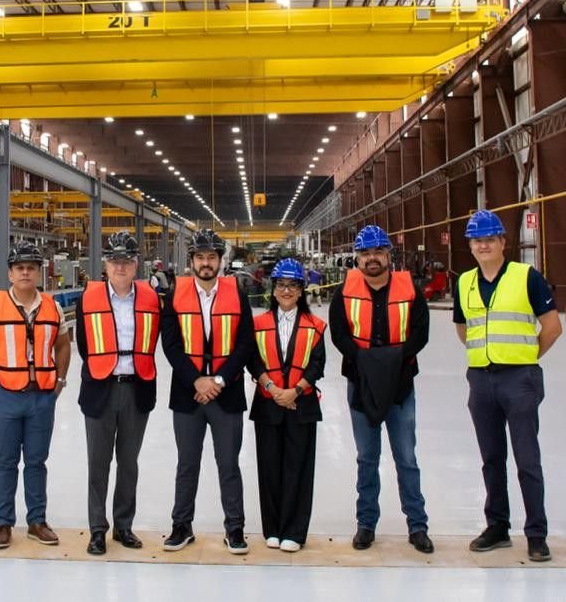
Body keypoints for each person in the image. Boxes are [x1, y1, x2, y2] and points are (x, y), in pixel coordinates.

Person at [454, 210, 561, 562]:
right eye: (476, 240)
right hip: (481, 379)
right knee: (492, 458)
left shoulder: (527, 277)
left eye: (489, 239)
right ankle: (497, 526)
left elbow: (552, 327)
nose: (483, 245)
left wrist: (526, 357)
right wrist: (484, 354)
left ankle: (536, 534)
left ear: (503, 242)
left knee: (527, 459)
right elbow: (463, 328)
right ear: (470, 246)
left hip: (519, 379)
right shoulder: (464, 282)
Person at [329, 225, 433, 554]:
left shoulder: (410, 289)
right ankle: (366, 524)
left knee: (406, 458)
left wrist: (393, 360)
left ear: (389, 255)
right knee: (367, 458)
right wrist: (364, 361)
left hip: (400, 385)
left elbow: (421, 332)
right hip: (360, 384)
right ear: (357, 258)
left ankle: (417, 526)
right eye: (365, 253)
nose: (371, 258)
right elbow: (339, 333)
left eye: (377, 252)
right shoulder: (343, 292)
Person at [0, 241, 71, 550]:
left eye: (31, 268)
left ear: (40, 273)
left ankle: (37, 521)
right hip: (5, 396)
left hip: (42, 396)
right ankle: (4, 523)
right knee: (6, 461)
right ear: (10, 273)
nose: (25, 273)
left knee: (37, 461)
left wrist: (60, 380)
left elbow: (63, 344)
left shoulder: (52, 306)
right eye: (20, 268)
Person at [161, 229, 255, 554]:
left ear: (220, 261)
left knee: (228, 464)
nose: (206, 263)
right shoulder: (175, 293)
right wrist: (196, 381)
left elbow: (245, 344)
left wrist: (218, 381)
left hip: (226, 394)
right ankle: (181, 526)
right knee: (187, 464)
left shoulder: (237, 293)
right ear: (191, 261)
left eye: (211, 257)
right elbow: (171, 345)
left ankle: (235, 528)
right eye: (200, 257)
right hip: (187, 394)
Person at [75, 231, 160, 555]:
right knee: (97, 463)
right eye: (114, 261)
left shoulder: (151, 298)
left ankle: (123, 526)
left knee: (128, 463)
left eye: (126, 261)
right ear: (105, 265)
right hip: (101, 389)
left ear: (136, 264)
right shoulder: (88, 299)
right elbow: (84, 345)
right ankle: (97, 529)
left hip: (137, 389)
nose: (120, 267)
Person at [248, 258, 326, 553]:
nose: (286, 290)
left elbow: (317, 364)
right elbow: (253, 361)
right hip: (268, 403)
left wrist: (295, 391)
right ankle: (273, 529)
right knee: (269, 467)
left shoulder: (315, 326)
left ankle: (294, 531)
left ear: (302, 290)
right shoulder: (258, 324)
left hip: (301, 405)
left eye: (293, 285)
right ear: (273, 288)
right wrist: (273, 389)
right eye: (281, 285)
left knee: (299, 468)